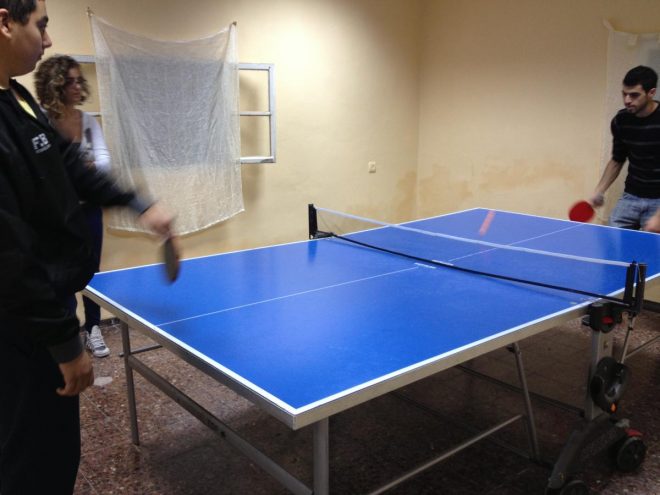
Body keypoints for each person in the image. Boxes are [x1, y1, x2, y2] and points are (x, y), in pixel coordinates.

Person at [0, 1, 177, 494]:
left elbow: (69, 165)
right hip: (21, 326)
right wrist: (65, 340)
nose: (49, 40)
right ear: (5, 22)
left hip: (39, 312)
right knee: (33, 458)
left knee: (52, 450)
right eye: (41, 25)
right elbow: (8, 253)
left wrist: (139, 203)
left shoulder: (16, 97)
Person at [34, 54, 111, 358]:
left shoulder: (87, 122)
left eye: (80, 81)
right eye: (70, 81)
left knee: (91, 271)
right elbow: (45, 174)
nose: (78, 86)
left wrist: (78, 172)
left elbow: (104, 163)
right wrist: (81, 169)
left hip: (89, 211)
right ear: (55, 85)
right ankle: (68, 335)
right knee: (60, 275)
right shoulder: (39, 121)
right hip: (56, 215)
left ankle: (93, 329)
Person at [589, 65, 660, 233]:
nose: (627, 100)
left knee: (651, 244)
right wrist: (599, 191)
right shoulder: (621, 121)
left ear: (651, 93)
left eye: (634, 95)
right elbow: (617, 160)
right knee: (611, 236)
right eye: (624, 94)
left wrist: (658, 217)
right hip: (632, 195)